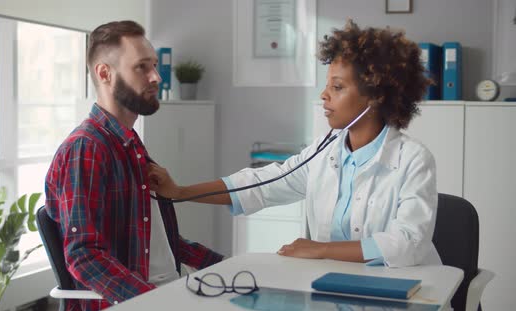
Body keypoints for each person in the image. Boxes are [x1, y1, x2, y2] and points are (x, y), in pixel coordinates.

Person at [148, 20, 439, 268]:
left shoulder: (412, 159)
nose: (324, 95)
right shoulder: (324, 153)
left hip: (403, 291)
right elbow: (261, 184)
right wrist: (180, 192)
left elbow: (408, 243)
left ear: (375, 97)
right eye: (326, 85)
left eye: (337, 87)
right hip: (335, 288)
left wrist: (321, 250)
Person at [44, 20, 223, 311]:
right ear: (105, 73)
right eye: (141, 67)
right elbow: (84, 255)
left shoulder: (130, 146)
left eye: (154, 65)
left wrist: (228, 266)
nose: (156, 77)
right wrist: (155, 301)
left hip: (170, 293)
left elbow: (161, 241)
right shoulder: (86, 148)